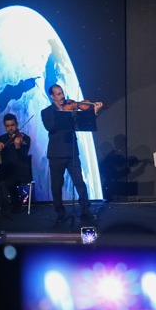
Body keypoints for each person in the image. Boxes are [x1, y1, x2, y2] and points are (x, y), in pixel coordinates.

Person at [41, 84, 100, 225]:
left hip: (71, 151)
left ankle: (85, 211)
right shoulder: (46, 112)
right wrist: (62, 112)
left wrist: (94, 112)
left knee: (79, 182)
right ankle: (60, 213)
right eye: (58, 94)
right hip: (56, 154)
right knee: (56, 186)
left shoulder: (71, 109)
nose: (62, 96)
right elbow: (50, 126)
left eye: (62, 93)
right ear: (52, 96)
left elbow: (85, 122)